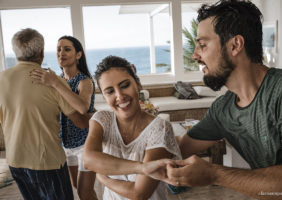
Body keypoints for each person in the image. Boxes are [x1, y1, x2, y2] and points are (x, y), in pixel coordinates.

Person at [142, 0, 282, 199]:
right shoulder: (223, 109)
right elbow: (177, 149)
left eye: (202, 45)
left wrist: (213, 173)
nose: (195, 55)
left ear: (235, 45)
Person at [0, 28, 90, 200]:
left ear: (15, 52)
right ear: (41, 53)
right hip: (47, 162)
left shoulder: (1, 79)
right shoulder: (53, 81)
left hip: (15, 161)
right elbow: (80, 121)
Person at [83, 55, 181, 200]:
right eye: (110, 91)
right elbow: (89, 160)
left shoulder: (160, 128)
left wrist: (104, 178)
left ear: (138, 84)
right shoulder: (102, 120)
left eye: (125, 86)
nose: (120, 96)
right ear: (104, 96)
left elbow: (139, 193)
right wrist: (142, 167)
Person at [29, 36, 96, 200]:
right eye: (59, 49)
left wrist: (55, 83)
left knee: (84, 192)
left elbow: (82, 107)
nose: (61, 53)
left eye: (67, 49)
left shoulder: (84, 81)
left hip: (85, 144)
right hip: (64, 144)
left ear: (78, 54)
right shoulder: (56, 79)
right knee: (77, 187)